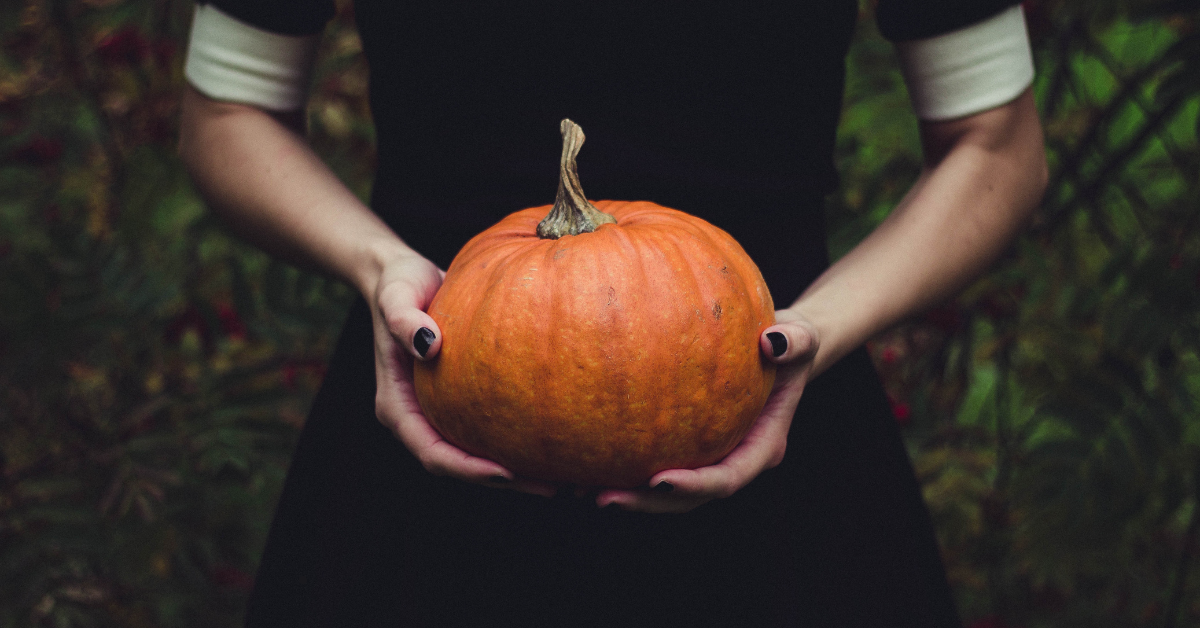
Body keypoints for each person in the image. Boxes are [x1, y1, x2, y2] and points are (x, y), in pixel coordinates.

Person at [178, 1, 1047, 626]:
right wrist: (379, 269)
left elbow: (997, 144)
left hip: (771, 401)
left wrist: (817, 330)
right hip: (437, 382)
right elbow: (227, 112)